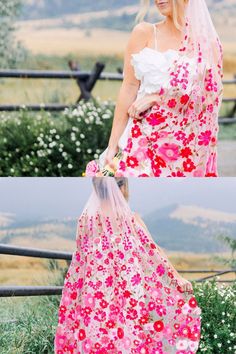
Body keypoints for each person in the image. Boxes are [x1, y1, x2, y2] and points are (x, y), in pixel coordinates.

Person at [54, 177, 201, 353]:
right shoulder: (130, 219)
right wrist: (176, 277)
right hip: (129, 290)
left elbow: (79, 260)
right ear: (122, 187)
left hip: (95, 292)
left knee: (98, 334)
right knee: (130, 335)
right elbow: (154, 251)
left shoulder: (86, 220)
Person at [85, 0, 223, 177]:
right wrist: (112, 146)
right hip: (140, 140)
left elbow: (209, 102)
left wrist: (158, 98)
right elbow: (129, 87)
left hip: (185, 151)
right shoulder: (144, 33)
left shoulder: (208, 44)